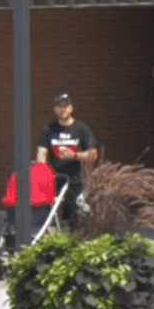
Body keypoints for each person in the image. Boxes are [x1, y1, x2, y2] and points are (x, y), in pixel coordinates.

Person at [36, 93, 99, 225]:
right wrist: (41, 173)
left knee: (74, 214)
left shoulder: (81, 129)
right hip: (54, 179)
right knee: (52, 214)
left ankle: (74, 237)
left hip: (75, 179)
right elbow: (41, 153)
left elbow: (93, 154)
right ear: (55, 109)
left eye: (66, 106)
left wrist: (75, 155)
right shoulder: (48, 130)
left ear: (71, 108)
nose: (63, 109)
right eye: (60, 106)